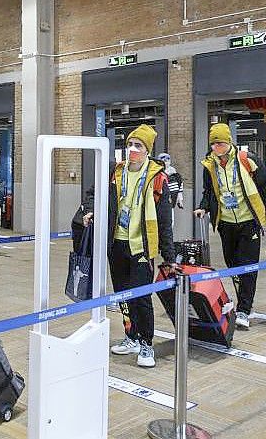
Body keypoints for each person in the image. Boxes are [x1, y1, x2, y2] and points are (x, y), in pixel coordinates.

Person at [87, 124, 176, 368]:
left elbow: (165, 220)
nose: (132, 150)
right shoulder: (115, 172)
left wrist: (169, 256)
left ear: (147, 150)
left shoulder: (157, 179)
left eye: (138, 146)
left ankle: (147, 343)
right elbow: (93, 193)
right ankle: (131, 336)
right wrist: (90, 209)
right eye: (129, 145)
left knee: (141, 297)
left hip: (141, 247)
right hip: (117, 243)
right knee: (122, 296)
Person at [194, 123, 266, 330]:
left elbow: (265, 189)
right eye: (214, 143)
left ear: (229, 142)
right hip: (226, 223)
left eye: (220, 143)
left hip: (248, 222)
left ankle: (245, 309)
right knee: (233, 265)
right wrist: (203, 208)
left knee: (248, 266)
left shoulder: (247, 160)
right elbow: (209, 192)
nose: (217, 147)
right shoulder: (209, 165)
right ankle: (240, 300)